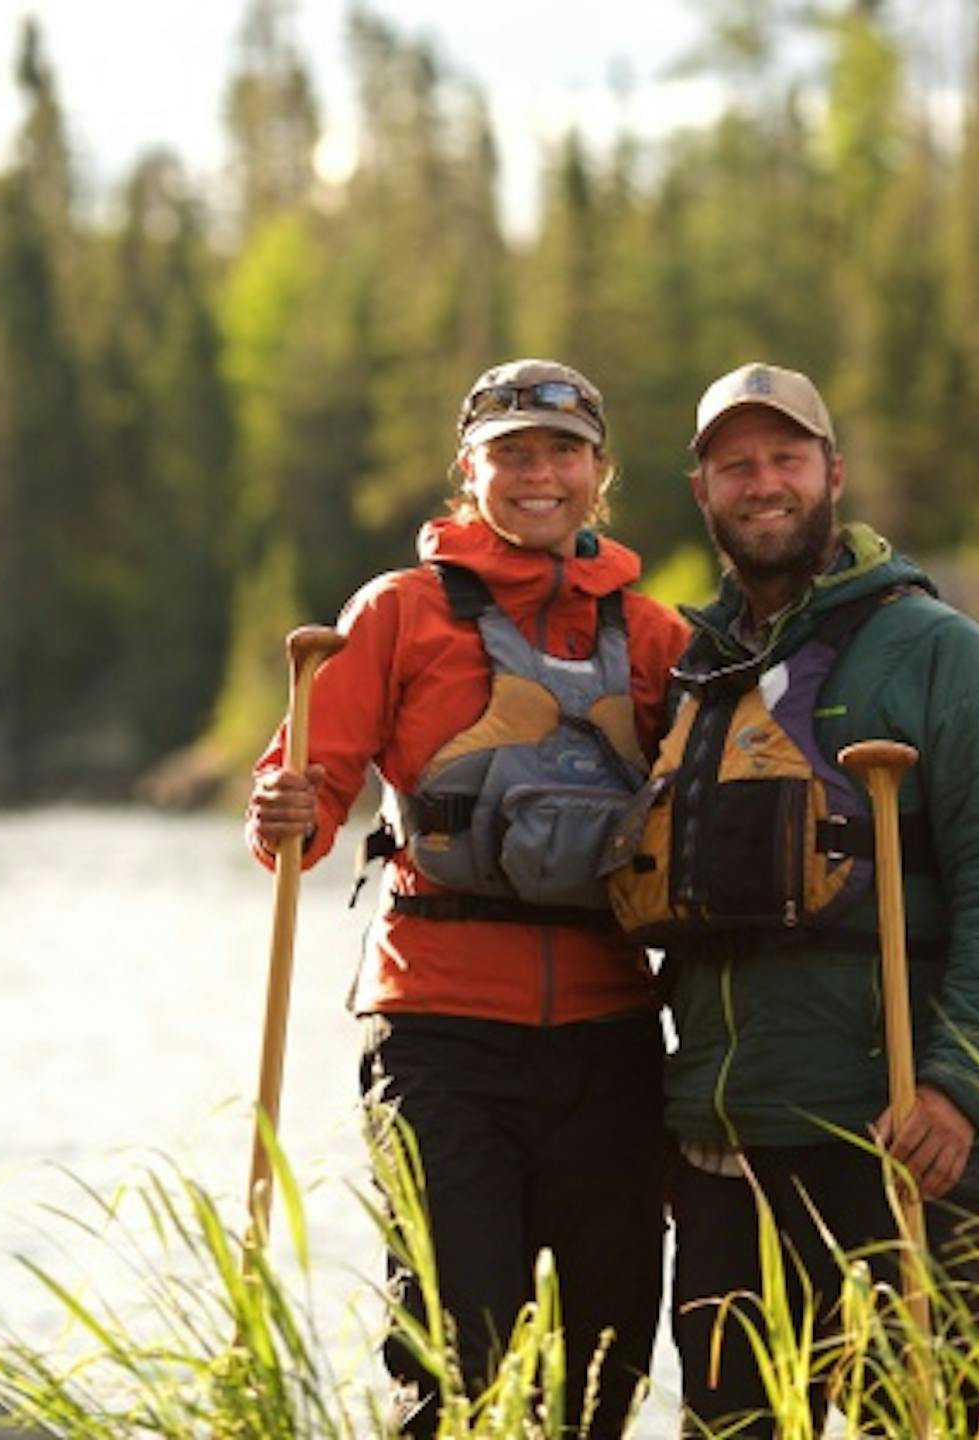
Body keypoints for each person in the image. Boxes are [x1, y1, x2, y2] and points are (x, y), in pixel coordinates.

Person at [606, 362, 979, 1436]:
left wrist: (959, 1090)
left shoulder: (940, 655)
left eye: (786, 458)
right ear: (704, 492)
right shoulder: (697, 674)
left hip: (895, 1140)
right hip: (721, 1153)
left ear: (834, 474)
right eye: (735, 465)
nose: (764, 483)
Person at [245, 358, 690, 1439]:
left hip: (611, 1037)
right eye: (513, 455)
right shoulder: (397, 612)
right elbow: (298, 825)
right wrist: (283, 810)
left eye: (563, 453)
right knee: (457, 1356)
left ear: (600, 471)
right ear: (469, 472)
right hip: (439, 1033)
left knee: (605, 1362)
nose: (540, 475)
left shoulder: (659, 636)